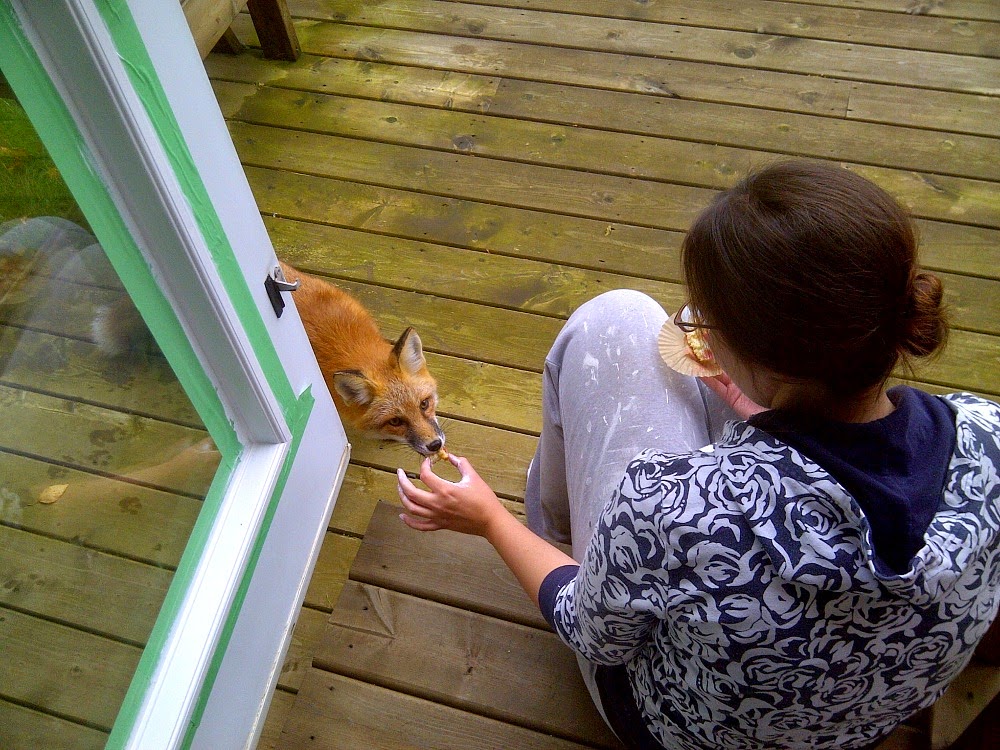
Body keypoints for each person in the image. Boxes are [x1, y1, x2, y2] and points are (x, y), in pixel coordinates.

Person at [395, 160, 1000, 750]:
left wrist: (488, 520)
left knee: (616, 319)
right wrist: (769, 417)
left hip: (681, 728)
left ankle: (551, 533)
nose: (697, 329)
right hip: (856, 724)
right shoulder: (987, 432)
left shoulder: (672, 507)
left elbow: (594, 634)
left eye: (704, 321)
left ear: (753, 355)